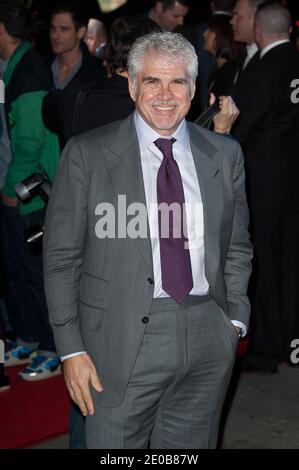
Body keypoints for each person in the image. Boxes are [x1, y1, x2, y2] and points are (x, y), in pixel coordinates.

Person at [44, 31, 252, 449]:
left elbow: (237, 245)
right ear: (132, 84)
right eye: (152, 81)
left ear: (194, 89)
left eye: (177, 82)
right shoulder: (89, 155)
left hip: (207, 330)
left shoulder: (223, 153)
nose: (165, 94)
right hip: (117, 340)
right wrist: (71, 350)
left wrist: (232, 320)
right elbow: (61, 259)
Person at [232, 1, 299, 373]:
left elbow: (242, 125)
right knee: (291, 263)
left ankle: (265, 348)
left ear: (259, 31)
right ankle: (292, 339)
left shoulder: (265, 68)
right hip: (294, 182)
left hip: (267, 183)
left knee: (266, 266)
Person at [0, 0, 61, 380]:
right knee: (18, 272)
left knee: (38, 274)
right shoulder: (13, 66)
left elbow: (30, 145)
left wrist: (10, 189)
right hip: (14, 188)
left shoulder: (29, 73)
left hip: (29, 193)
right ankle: (28, 335)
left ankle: (53, 347)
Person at [42, 2, 106, 148]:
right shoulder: (41, 66)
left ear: (81, 32)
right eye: (53, 29)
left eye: (63, 29)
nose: (55, 36)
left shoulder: (96, 73)